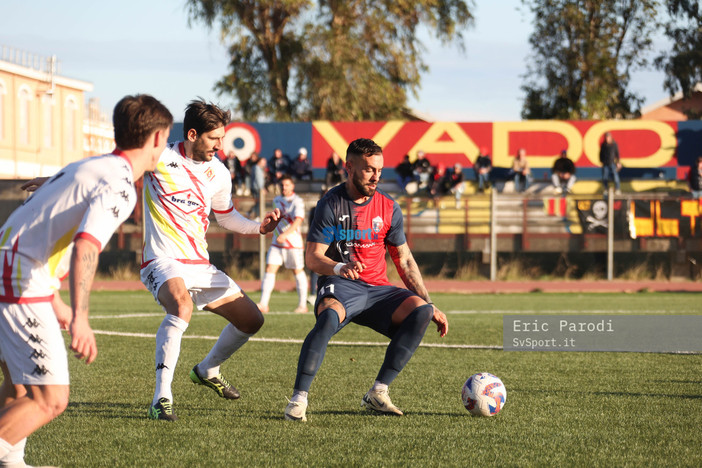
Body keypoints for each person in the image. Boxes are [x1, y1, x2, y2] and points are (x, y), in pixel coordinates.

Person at [0, 94, 173, 465]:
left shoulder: (91, 166)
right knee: (49, 398)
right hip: (18, 277)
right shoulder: (121, 183)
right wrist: (80, 316)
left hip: (13, 271)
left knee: (18, 388)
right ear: (157, 138)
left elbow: (38, 232)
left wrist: (55, 300)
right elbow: (86, 246)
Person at [284, 138, 448, 422]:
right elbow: (313, 258)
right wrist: (338, 268)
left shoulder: (388, 207)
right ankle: (298, 400)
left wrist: (429, 302)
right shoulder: (330, 204)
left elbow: (405, 261)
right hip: (343, 285)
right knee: (327, 318)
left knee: (421, 310)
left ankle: (378, 393)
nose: (376, 176)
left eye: (380, 170)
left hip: (379, 290)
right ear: (349, 167)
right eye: (369, 169)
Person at [141, 99, 281, 422]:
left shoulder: (218, 172)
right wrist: (56, 184)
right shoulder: (159, 157)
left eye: (223, 138)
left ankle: (207, 369)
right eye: (214, 139)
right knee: (181, 306)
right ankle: (161, 398)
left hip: (199, 266)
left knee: (252, 321)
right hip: (161, 261)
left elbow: (227, 216)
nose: (221, 146)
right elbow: (113, 168)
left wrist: (258, 227)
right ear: (192, 134)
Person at [257, 175, 308, 315]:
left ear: (292, 186)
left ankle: (303, 305)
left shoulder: (297, 201)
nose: (284, 187)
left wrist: (285, 234)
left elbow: (298, 220)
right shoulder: (276, 200)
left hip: (293, 243)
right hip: (277, 243)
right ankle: (263, 304)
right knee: (270, 269)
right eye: (282, 185)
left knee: (297, 271)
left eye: (287, 185)